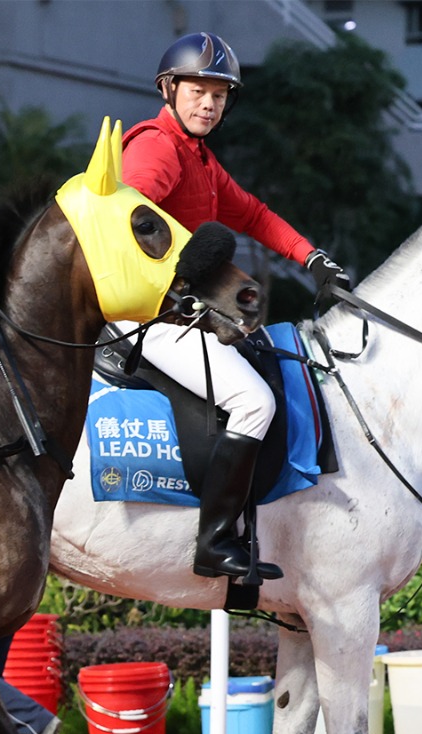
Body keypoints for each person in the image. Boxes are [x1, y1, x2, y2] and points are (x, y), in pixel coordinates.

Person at [118, 32, 350, 581]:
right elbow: (127, 218)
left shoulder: (197, 156)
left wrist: (312, 257)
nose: (209, 104)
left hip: (179, 310)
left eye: (220, 95)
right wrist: (178, 281)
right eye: (198, 91)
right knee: (254, 403)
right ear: (169, 90)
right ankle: (215, 542)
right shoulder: (156, 146)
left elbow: (253, 213)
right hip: (143, 315)